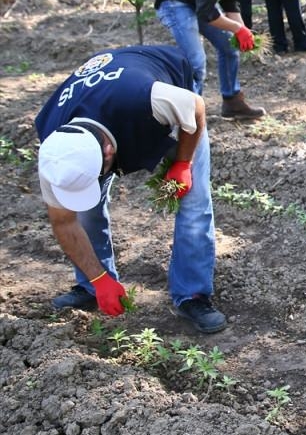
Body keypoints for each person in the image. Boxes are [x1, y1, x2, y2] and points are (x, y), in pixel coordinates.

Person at [35, 45, 227, 333]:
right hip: (102, 99)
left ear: (110, 152)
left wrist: (183, 163)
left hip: (165, 89)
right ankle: (92, 286)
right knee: (86, 213)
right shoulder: (55, 150)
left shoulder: (146, 99)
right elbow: (64, 221)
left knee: (193, 200)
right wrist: (99, 279)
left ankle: (193, 295)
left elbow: (196, 106)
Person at [155, 0, 283, 119]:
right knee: (196, 61)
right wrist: (238, 29)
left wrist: (242, 31)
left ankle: (233, 103)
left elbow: (229, 1)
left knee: (229, 48)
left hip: (198, 2)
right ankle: (190, 116)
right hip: (175, 2)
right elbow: (206, 12)